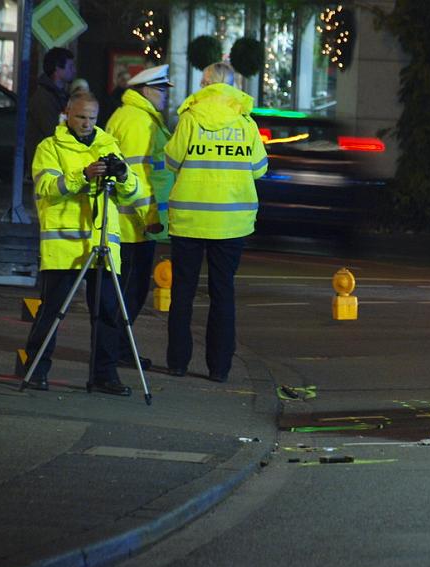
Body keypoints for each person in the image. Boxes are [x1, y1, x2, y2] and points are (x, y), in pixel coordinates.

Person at [23, 92, 146, 396]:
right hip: (65, 244)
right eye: (81, 117)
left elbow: (132, 194)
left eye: (92, 117)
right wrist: (84, 175)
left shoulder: (109, 146)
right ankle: (36, 369)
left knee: (107, 313)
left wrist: (124, 175)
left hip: (102, 242)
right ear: (67, 114)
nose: (87, 123)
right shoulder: (50, 148)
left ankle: (104, 376)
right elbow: (48, 188)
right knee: (52, 310)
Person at [163, 62, 267, 382]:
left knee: (183, 291)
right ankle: (219, 368)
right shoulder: (244, 121)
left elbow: (171, 161)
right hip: (231, 222)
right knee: (223, 293)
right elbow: (259, 168)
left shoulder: (191, 118)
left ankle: (178, 363)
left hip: (191, 219)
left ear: (206, 83)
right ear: (232, 84)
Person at [105, 64, 174, 371]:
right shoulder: (138, 122)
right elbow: (134, 177)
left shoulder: (133, 116)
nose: (165, 97)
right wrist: (148, 218)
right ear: (147, 90)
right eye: (162, 91)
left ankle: (118, 348)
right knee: (130, 292)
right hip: (133, 225)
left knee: (126, 291)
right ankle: (118, 349)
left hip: (130, 222)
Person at [26, 47, 76, 170]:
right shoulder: (44, 98)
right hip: (45, 162)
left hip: (52, 160)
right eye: (70, 67)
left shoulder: (58, 95)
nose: (74, 70)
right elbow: (52, 131)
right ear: (57, 69)